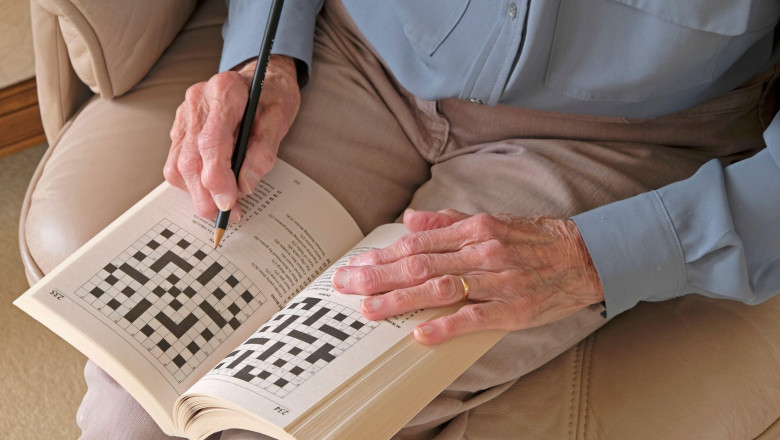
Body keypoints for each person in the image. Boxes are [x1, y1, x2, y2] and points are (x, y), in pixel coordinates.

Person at [78, 0, 780, 439]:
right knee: (129, 400)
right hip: (356, 50)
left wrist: (599, 256)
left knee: (293, 417)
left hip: (619, 133)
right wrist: (267, 53)